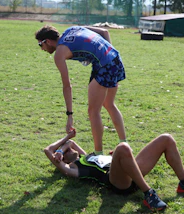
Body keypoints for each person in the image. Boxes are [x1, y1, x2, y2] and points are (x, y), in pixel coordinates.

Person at [43, 129, 184, 212]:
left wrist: (64, 146)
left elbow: (72, 144)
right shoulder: (73, 168)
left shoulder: (84, 156)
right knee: (122, 147)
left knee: (166, 139)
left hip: (130, 171)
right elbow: (47, 150)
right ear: (63, 159)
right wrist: (60, 147)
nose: (69, 150)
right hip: (117, 182)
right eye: (65, 152)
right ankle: (149, 194)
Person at [35, 25, 127, 155]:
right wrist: (107, 54)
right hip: (115, 57)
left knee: (93, 111)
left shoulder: (59, 53)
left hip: (104, 65)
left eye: (40, 45)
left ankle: (98, 154)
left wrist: (69, 116)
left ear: (48, 41)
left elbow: (67, 86)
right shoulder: (72, 28)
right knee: (108, 104)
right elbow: (104, 32)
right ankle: (124, 144)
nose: (42, 49)